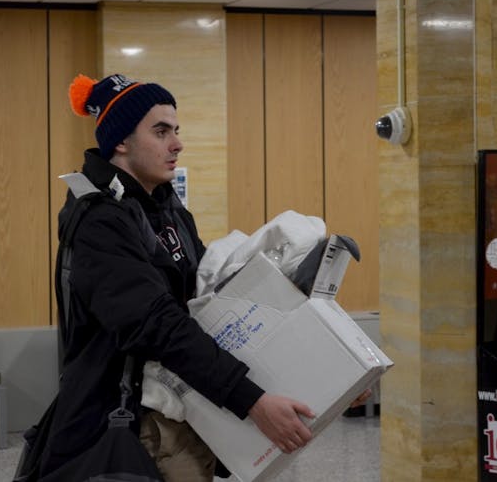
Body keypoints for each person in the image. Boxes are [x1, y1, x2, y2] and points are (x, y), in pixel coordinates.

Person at [41, 72, 369, 481]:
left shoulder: (167, 209)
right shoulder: (100, 221)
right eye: (160, 131)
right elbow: (157, 325)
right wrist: (252, 401)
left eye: (176, 130)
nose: (177, 143)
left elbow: (209, 310)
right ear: (120, 142)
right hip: (135, 430)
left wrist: (324, 376)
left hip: (188, 417)